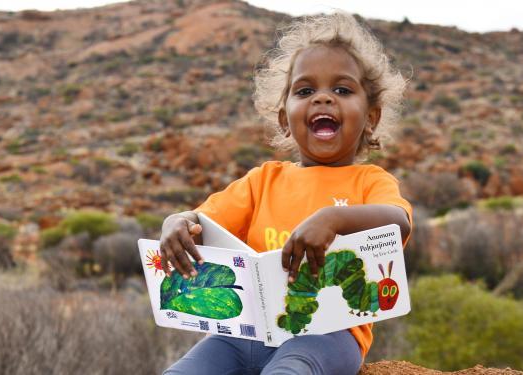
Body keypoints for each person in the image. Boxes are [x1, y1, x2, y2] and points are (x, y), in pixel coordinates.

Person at [160, 11, 413, 375]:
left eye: (342, 90)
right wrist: (177, 222)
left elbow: (398, 223)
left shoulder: (369, 181)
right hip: (241, 334)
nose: (322, 99)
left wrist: (334, 218)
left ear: (370, 117)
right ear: (284, 118)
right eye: (305, 90)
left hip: (326, 336)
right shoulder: (263, 180)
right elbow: (201, 222)